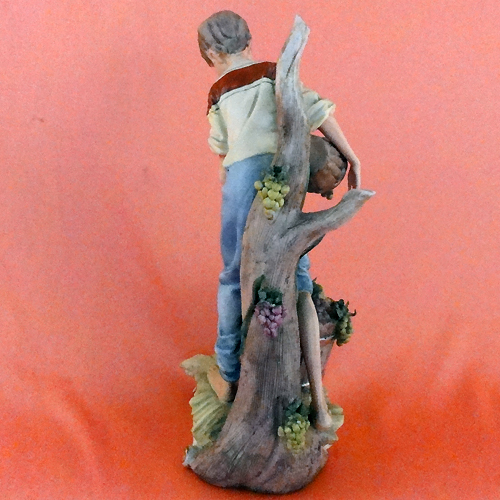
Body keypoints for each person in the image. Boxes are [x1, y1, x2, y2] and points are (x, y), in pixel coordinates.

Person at [198, 11, 361, 431]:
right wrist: (352, 156)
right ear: (249, 40)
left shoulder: (218, 90)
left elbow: (222, 150)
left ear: (211, 53)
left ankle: (230, 375)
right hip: (285, 176)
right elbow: (317, 110)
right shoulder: (274, 72)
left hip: (244, 180)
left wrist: (231, 181)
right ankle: (316, 400)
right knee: (297, 275)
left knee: (234, 276)